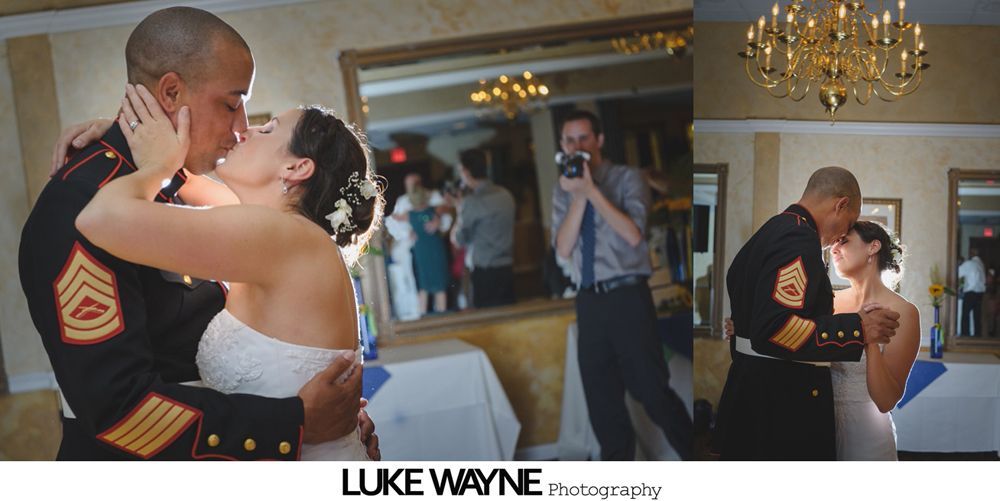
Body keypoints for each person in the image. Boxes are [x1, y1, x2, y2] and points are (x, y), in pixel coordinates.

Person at [21, 7, 377, 460]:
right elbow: (118, 407)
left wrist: (322, 431)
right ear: (171, 91)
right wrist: (291, 425)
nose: (243, 127)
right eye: (232, 104)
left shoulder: (182, 192)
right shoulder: (79, 201)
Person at [712, 166, 900, 460]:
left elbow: (759, 318)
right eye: (847, 223)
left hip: (753, 391)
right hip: (779, 407)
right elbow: (774, 328)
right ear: (841, 205)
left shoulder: (771, 230)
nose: (839, 238)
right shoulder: (797, 240)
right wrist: (858, 329)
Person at [551, 109, 692, 460]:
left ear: (598, 140)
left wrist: (591, 191)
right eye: (570, 140)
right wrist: (578, 196)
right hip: (589, 302)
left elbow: (633, 235)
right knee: (602, 402)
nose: (576, 145)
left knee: (652, 391)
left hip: (629, 296)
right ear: (562, 145)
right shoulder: (562, 190)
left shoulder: (629, 178)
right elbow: (564, 247)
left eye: (584, 138)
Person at [725, 221, 920, 460]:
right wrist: (746, 329)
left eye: (844, 241)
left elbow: (885, 400)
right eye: (834, 243)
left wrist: (867, 341)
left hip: (867, 436)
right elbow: (788, 339)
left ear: (873, 247)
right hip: (811, 423)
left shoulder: (904, 312)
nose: (834, 249)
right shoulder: (828, 301)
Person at [452, 148, 516, 308]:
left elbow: (458, 240)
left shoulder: (471, 202)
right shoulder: (506, 195)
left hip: (484, 272)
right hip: (508, 268)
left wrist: (459, 209)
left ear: (466, 172)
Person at [407, 185, 449, 314]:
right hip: (433, 249)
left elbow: (393, 217)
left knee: (424, 283)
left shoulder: (411, 215)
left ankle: (423, 314)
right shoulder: (433, 212)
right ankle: (441, 313)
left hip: (422, 250)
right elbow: (446, 206)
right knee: (438, 283)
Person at [958, 247, 986, 337]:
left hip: (970, 292)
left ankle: (965, 334)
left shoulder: (969, 263)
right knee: (977, 315)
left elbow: (959, 273)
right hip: (980, 293)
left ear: (971, 253)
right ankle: (977, 335)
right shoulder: (981, 264)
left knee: (965, 314)